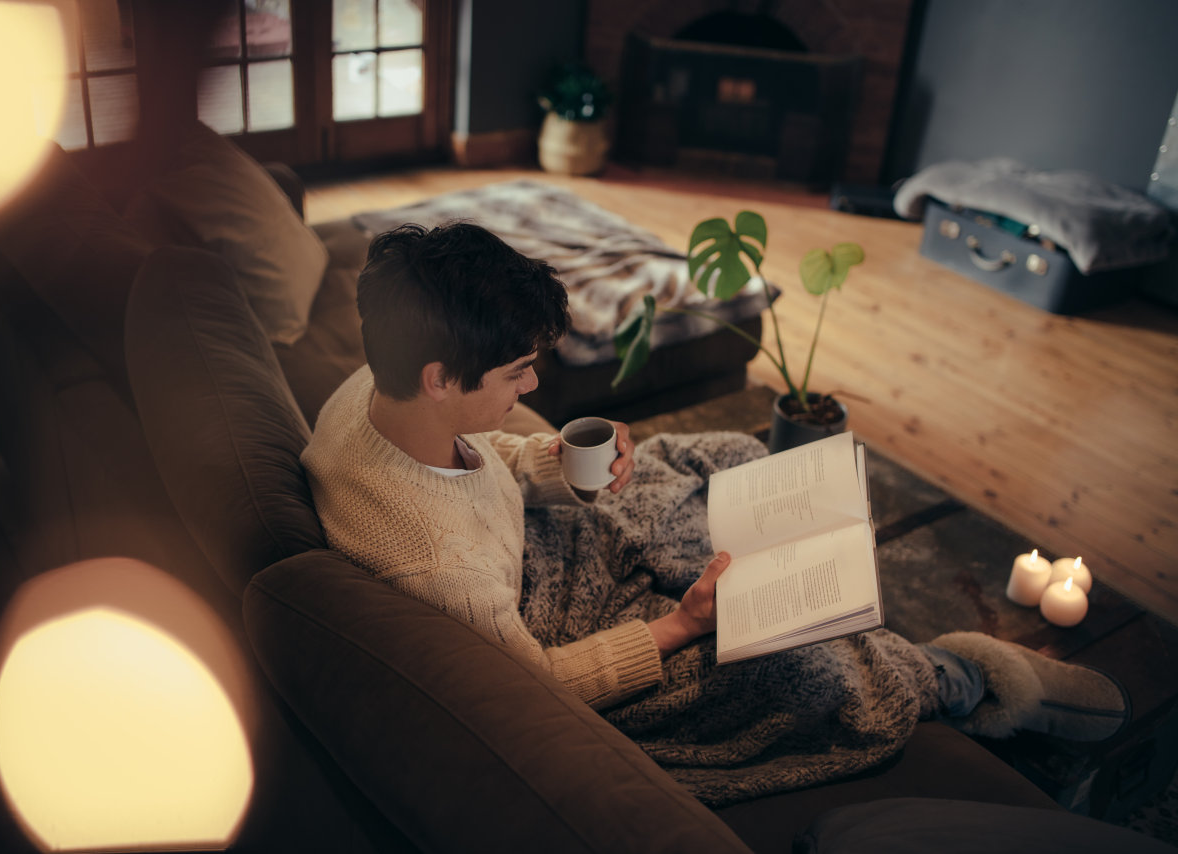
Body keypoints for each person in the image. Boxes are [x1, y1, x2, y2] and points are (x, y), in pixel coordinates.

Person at [302, 221, 1128, 804]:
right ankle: (962, 678)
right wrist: (683, 627)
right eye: (518, 373)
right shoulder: (435, 565)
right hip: (549, 622)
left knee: (730, 453)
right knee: (801, 667)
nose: (533, 391)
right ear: (445, 376)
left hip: (537, 543)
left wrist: (559, 465)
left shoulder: (372, 389)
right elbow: (533, 684)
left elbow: (483, 464)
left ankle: (827, 604)